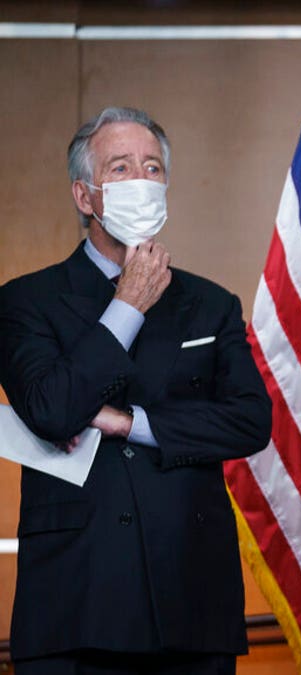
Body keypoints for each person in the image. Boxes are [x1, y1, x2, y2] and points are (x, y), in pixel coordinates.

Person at [0, 107, 272, 674]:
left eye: (152, 167)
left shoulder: (211, 303)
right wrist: (127, 306)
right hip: (77, 599)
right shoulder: (27, 301)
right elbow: (51, 408)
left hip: (190, 597)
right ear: (85, 196)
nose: (142, 181)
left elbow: (250, 421)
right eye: (121, 168)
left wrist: (128, 423)